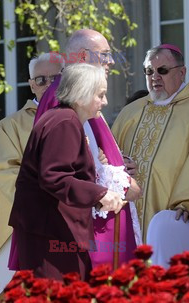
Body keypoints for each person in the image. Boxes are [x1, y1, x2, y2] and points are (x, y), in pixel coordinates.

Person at [29, 29, 141, 269]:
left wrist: (116, 162)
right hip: (82, 221)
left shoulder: (80, 92)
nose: (110, 62)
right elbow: (61, 171)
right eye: (104, 55)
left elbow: (89, 150)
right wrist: (121, 183)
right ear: (81, 57)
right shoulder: (62, 96)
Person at [8, 64, 127, 281]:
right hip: (49, 233)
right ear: (82, 95)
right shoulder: (65, 121)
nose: (105, 102)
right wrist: (100, 194)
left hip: (48, 229)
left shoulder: (61, 118)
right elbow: (55, 177)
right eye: (100, 95)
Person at [111, 44, 189, 248]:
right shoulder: (130, 112)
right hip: (127, 211)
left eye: (162, 71)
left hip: (175, 213)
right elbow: (107, 153)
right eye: (149, 71)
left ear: (182, 72)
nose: (155, 77)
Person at [0, 53, 64, 293]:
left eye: (56, 78)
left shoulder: (83, 117)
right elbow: (5, 171)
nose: (49, 85)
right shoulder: (10, 126)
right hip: (34, 223)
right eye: (41, 79)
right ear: (31, 84)